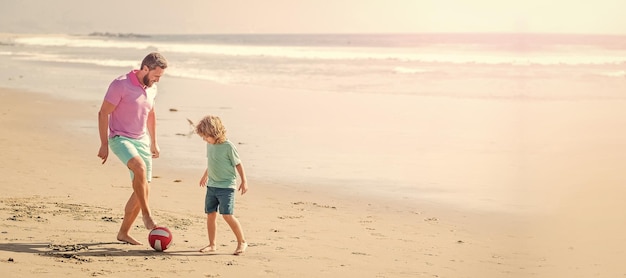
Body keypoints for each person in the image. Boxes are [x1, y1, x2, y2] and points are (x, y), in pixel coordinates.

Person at [97, 52, 168, 245]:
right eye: (156, 75)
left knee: (142, 191)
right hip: (120, 138)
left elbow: (151, 114)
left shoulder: (152, 89)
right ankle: (147, 214)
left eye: (160, 77)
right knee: (139, 168)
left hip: (141, 141)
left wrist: (154, 142)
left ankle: (123, 233)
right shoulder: (120, 85)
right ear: (145, 68)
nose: (158, 80)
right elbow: (103, 113)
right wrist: (104, 144)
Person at [195, 115, 249, 255]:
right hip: (212, 186)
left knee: (227, 215)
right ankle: (212, 244)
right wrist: (205, 175)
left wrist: (244, 180)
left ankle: (241, 242)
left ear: (215, 132)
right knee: (210, 214)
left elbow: (238, 164)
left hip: (226, 187)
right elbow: (212, 162)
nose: (205, 139)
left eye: (206, 136)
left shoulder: (228, 147)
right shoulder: (210, 145)